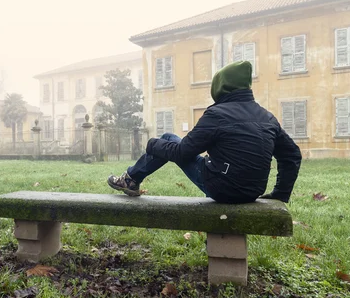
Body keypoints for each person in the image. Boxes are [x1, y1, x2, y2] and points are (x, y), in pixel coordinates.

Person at [107, 61, 302, 204]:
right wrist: (280, 193)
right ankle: (131, 179)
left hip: (221, 189)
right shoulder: (267, 117)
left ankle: (130, 179)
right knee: (169, 141)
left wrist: (152, 145)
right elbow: (292, 154)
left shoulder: (217, 114)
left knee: (166, 139)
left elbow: (182, 152)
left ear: (220, 86)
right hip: (252, 192)